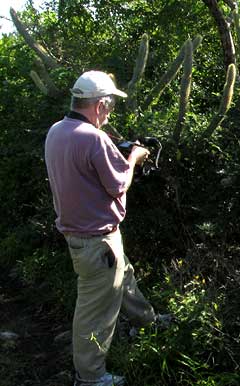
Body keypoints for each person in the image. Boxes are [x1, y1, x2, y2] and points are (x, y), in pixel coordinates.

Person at [45, 70, 161, 386]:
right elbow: (118, 184)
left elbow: (85, 168)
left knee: (124, 278)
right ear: (99, 105)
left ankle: (148, 322)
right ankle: (90, 377)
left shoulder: (58, 130)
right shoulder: (93, 138)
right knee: (94, 312)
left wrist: (115, 151)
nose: (110, 113)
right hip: (98, 241)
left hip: (82, 238)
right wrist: (135, 156)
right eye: (109, 106)